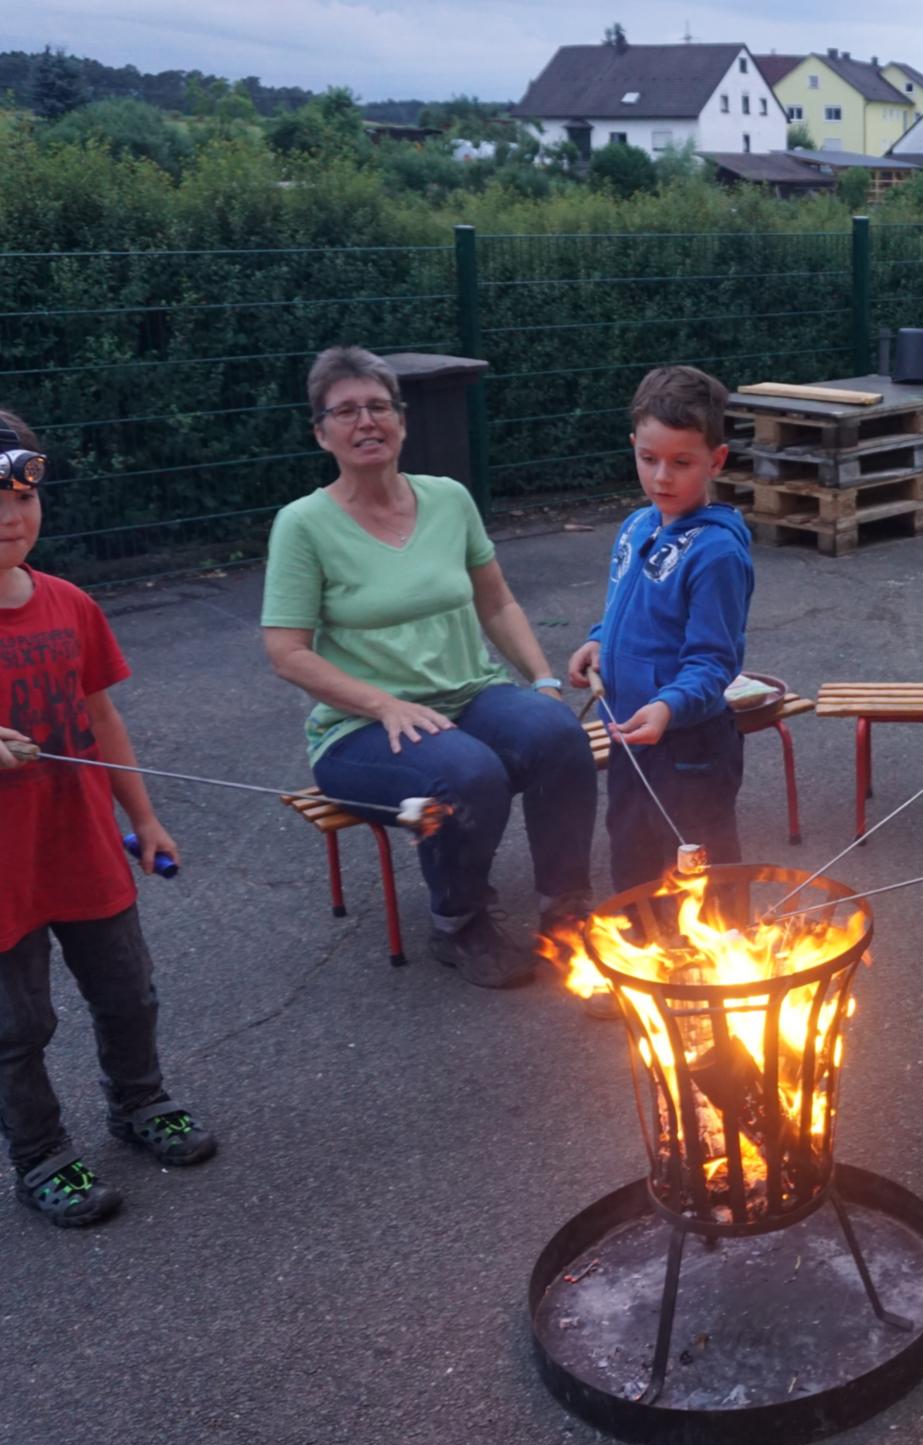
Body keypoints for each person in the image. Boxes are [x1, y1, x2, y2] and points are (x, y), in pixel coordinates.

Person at [262, 347, 596, 989]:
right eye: (347, 410)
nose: (367, 422)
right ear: (321, 431)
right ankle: (460, 923)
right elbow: (286, 651)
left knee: (558, 736)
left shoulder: (448, 500)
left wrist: (545, 681)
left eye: (379, 407)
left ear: (402, 421)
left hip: (469, 695)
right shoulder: (302, 526)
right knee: (466, 773)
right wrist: (383, 705)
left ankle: (568, 911)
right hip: (359, 730)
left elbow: (496, 601)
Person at [0, 408, 218, 1227]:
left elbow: (101, 717)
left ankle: (140, 1103)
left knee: (128, 994)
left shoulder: (68, 604)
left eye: (24, 498)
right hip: (3, 874)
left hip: (83, 845)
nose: (12, 519)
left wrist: (146, 818)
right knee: (18, 1026)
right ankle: (42, 1154)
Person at [566, 365, 753, 900]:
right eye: (648, 459)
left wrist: (670, 707)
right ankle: (647, 966)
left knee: (704, 875)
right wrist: (599, 639)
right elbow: (624, 607)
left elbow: (715, 664)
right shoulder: (636, 526)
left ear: (716, 460)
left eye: (681, 463)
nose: (662, 478)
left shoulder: (716, 553)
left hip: (690, 746)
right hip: (629, 733)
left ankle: (729, 974)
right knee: (634, 858)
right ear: (633, 447)